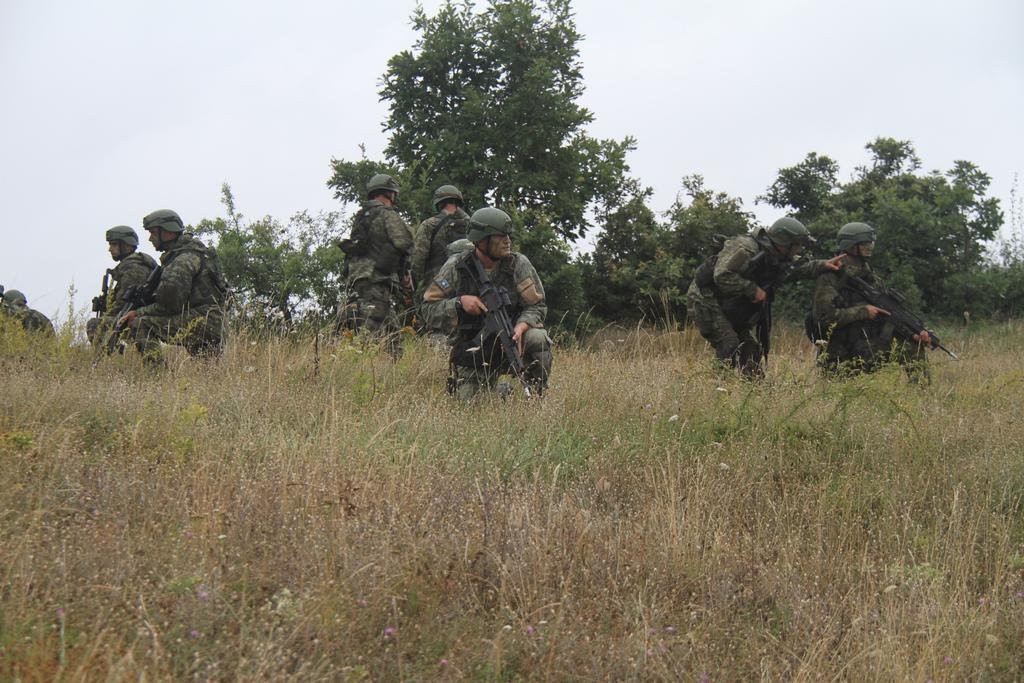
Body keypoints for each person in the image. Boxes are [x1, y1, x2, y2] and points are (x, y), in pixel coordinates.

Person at [687, 217, 844, 377]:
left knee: (751, 349)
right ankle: (715, 386)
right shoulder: (746, 248)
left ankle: (756, 392)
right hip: (707, 299)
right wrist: (753, 289)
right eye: (797, 245)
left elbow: (796, 269)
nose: (799, 249)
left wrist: (823, 265)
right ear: (784, 242)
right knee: (729, 345)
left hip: (730, 302)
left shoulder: (776, 255)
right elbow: (722, 275)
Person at [422, 207, 552, 399]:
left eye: (508, 234)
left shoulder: (518, 264)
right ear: (482, 240)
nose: (507, 240)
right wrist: (459, 303)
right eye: (500, 235)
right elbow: (427, 309)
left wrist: (522, 326)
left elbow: (537, 305)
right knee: (471, 406)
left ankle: (535, 397)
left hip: (514, 344)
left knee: (538, 338)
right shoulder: (457, 267)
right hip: (474, 351)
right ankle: (501, 392)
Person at [809, 222, 930, 376]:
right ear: (851, 246)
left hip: (866, 348)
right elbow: (822, 319)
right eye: (865, 243)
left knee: (914, 347)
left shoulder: (871, 279)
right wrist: (862, 312)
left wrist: (913, 334)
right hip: (840, 355)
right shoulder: (830, 277)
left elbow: (889, 316)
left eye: (871, 242)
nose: (870, 247)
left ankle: (924, 398)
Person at [118, 209, 228, 361]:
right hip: (214, 322)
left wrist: (138, 312)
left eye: (153, 233)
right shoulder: (195, 252)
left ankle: (157, 377)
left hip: (204, 322)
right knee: (209, 370)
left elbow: (168, 306)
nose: (150, 239)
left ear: (168, 233)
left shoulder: (181, 261)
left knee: (140, 324)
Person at [338, 173, 414, 358]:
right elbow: (405, 241)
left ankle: (394, 374)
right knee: (370, 335)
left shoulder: (362, 216)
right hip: (376, 281)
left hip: (359, 281)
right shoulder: (386, 214)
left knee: (392, 334)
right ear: (390, 193)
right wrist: (402, 272)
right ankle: (366, 372)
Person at [410, 185, 471, 342]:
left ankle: (438, 360)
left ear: (439, 203)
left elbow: (417, 260)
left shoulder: (430, 225)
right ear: (458, 201)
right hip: (469, 288)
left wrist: (413, 287)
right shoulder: (473, 225)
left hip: (438, 286)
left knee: (437, 331)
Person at [87, 225, 158, 348]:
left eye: (113, 244)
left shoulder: (133, 268)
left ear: (126, 245)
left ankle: (110, 357)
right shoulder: (132, 265)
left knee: (95, 324)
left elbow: (123, 304)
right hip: (140, 316)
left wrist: (109, 308)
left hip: (139, 317)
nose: (110, 249)